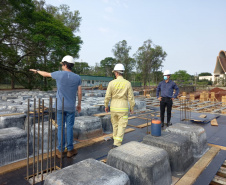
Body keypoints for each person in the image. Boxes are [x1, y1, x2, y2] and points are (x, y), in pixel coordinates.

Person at [30, 55, 82, 158]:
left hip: (59, 106)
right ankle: (70, 150)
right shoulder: (77, 77)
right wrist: (79, 104)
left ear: (65, 64)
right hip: (71, 107)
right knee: (70, 127)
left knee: (61, 128)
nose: (62, 66)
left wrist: (36, 71)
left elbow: (45, 74)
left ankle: (60, 151)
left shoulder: (59, 74)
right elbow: (80, 93)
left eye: (62, 64)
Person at [104, 63, 135, 148]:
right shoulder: (127, 83)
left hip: (113, 108)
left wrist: (106, 105)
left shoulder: (111, 83)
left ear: (116, 73)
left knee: (115, 125)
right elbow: (131, 97)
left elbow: (107, 96)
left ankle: (115, 140)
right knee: (122, 125)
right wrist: (132, 107)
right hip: (123, 108)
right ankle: (117, 143)